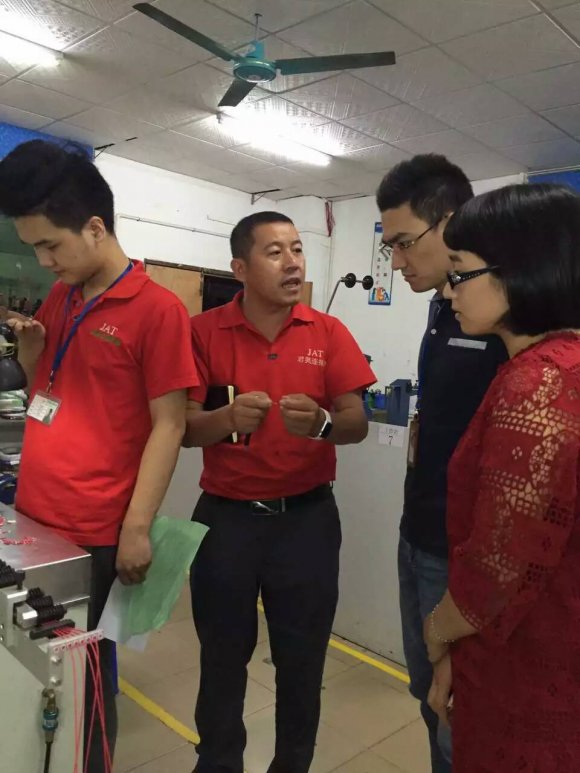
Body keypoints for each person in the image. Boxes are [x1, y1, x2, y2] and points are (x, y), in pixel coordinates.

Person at [0, 139, 199, 773]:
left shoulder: (158, 310)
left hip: (93, 530)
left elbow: (170, 424)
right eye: (33, 247)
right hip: (35, 518)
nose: (43, 261)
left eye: (50, 246)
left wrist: (136, 527)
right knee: (31, 668)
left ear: (94, 227)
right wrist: (32, 353)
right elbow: (49, 392)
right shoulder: (63, 296)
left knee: (84, 678)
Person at [183, 211, 375, 773]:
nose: (293, 263)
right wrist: (225, 419)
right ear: (240, 268)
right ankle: (218, 763)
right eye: (275, 252)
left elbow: (356, 422)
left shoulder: (327, 332)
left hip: (306, 523)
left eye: (297, 249)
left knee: (302, 663)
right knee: (221, 659)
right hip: (225, 523)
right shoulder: (202, 332)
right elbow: (184, 429)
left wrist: (322, 424)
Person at [425, 182, 580, 772]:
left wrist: (437, 630)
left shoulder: (538, 383)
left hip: (529, 662)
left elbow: (497, 566)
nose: (449, 291)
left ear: (519, 270)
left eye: (459, 272)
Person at [375, 154, 508, 772]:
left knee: (461, 713)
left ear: (450, 221)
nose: (397, 261)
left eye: (404, 242)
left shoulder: (504, 315)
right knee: (431, 699)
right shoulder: (441, 308)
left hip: (464, 552)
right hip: (420, 533)